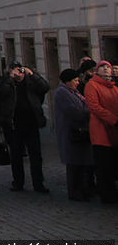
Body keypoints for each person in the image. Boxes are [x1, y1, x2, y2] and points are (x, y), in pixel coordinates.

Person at [0, 62, 50, 192]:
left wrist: (33, 74)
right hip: (14, 124)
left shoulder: (31, 82)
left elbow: (45, 87)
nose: (19, 74)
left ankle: (38, 183)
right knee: (16, 156)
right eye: (16, 71)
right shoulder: (8, 83)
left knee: (35, 155)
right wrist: (9, 77)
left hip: (31, 123)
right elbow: (0, 92)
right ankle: (18, 182)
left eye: (20, 71)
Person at [54, 68, 94, 201]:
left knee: (81, 163)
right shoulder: (62, 93)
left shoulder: (73, 92)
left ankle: (82, 190)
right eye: (75, 80)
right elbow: (74, 111)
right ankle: (75, 191)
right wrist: (89, 112)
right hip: (71, 133)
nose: (77, 83)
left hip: (79, 133)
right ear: (68, 81)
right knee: (74, 165)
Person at [84, 60, 118, 204]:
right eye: (102, 67)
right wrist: (113, 119)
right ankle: (106, 194)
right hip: (101, 130)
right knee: (103, 165)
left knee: (113, 164)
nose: (106, 69)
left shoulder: (114, 88)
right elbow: (94, 106)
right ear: (97, 71)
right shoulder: (92, 85)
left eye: (108, 67)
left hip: (114, 130)